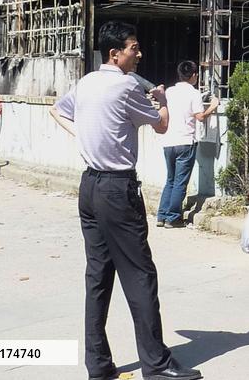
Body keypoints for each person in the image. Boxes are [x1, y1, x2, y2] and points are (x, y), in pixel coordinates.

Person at [49, 21, 201, 380]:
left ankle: (98, 365)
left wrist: (84, 138)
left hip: (90, 186)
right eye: (134, 48)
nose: (139, 53)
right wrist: (162, 102)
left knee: (98, 276)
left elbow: (58, 110)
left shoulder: (87, 82)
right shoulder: (125, 86)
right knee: (140, 275)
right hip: (117, 189)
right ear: (115, 54)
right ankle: (157, 364)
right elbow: (162, 125)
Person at [157, 61, 219, 228]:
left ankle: (162, 216)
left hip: (168, 141)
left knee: (170, 179)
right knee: (180, 182)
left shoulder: (170, 91)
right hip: (185, 141)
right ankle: (173, 217)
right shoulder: (194, 94)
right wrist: (212, 107)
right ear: (193, 76)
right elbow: (199, 117)